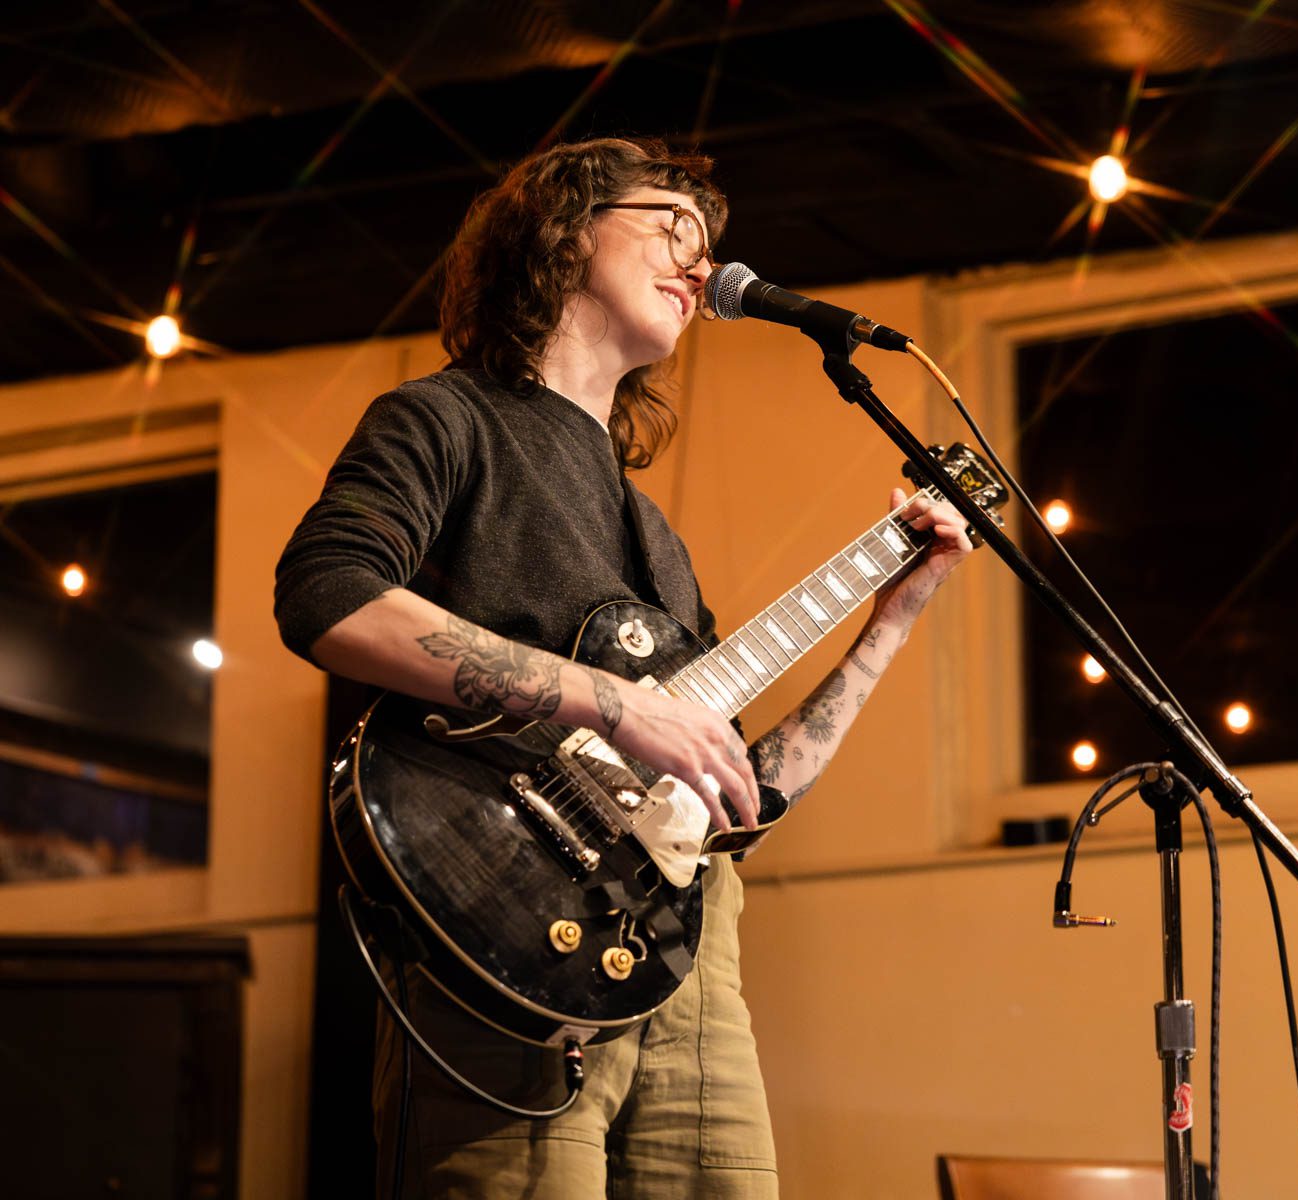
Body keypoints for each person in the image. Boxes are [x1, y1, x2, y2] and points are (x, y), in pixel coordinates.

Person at [274, 136, 971, 1200]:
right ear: (561, 233)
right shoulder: (444, 419)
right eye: (669, 226)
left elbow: (746, 795)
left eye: (710, 245)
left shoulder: (653, 536)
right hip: (499, 928)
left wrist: (892, 620)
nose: (699, 264)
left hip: (686, 961)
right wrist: (612, 703)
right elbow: (328, 595)